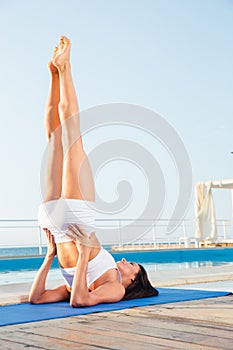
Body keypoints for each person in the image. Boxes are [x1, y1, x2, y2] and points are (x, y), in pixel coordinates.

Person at [29, 36, 158, 307]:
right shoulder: (89, 279)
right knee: (54, 136)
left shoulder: (115, 288)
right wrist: (69, 257)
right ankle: (54, 73)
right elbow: (44, 298)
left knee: (72, 135)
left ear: (134, 280)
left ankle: (66, 68)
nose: (124, 261)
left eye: (131, 265)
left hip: (72, 218)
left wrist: (54, 255)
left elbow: (76, 301)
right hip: (56, 219)